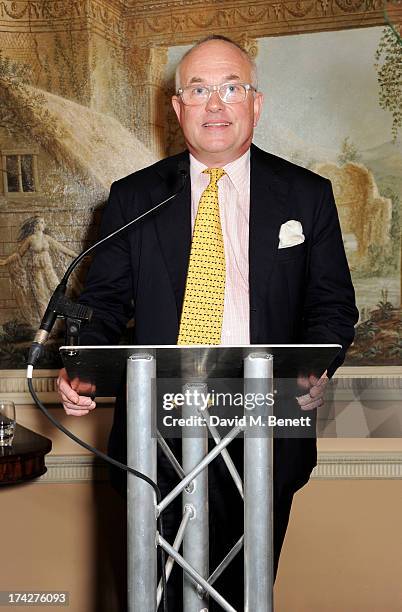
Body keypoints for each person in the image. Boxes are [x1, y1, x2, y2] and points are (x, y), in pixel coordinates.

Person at [57, 35, 358, 610]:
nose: (215, 104)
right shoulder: (134, 197)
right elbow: (102, 305)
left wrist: (317, 363)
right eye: (198, 90)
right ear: (178, 109)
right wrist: (87, 370)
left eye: (230, 88)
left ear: (255, 103)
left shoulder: (307, 195)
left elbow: (333, 306)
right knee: (160, 594)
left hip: (266, 423)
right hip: (160, 427)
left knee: (245, 593)